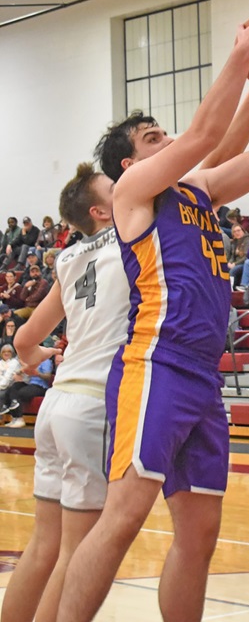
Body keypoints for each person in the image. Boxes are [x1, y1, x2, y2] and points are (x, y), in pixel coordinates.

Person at [55, 13, 249, 622]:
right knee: (124, 518)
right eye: (153, 137)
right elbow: (209, 130)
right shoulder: (135, 195)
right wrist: (243, 56)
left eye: (163, 132)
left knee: (200, 532)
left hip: (202, 378)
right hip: (155, 365)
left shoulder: (199, 192)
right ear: (129, 165)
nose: (167, 139)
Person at [0, 163, 131, 622]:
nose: (125, 188)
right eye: (114, 187)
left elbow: (20, 343)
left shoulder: (67, 257)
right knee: (76, 555)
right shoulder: (132, 238)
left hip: (55, 405)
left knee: (43, 547)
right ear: (99, 210)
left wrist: (48, 352)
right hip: (93, 404)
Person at [3, 357, 53, 429]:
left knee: (22, 392)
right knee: (13, 388)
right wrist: (21, 371)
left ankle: (20, 418)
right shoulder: (32, 360)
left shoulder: (45, 361)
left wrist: (37, 373)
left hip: (40, 386)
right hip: (29, 383)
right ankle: (15, 417)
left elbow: (48, 376)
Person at [226, 223, 249, 290]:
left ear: (243, 231)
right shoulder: (234, 242)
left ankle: (230, 289)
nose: (237, 233)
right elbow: (232, 256)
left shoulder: (247, 240)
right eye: (234, 231)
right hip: (235, 263)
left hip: (243, 263)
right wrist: (230, 263)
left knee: (233, 271)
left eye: (238, 230)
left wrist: (235, 264)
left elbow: (246, 257)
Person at [0, 344, 21, 417]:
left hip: (9, 387)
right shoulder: (0, 363)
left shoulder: (14, 362)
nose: (6, 353)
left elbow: (8, 378)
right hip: (1, 386)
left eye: (9, 352)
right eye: (4, 352)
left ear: (12, 353)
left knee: (1, 394)